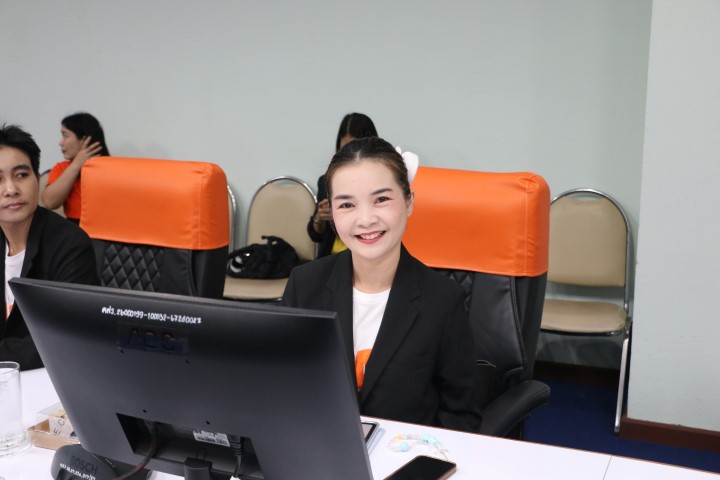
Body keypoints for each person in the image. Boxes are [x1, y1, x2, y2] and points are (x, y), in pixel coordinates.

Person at [284, 137, 482, 432]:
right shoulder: (304, 285)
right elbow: (284, 388)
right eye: (347, 204)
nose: (366, 219)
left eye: (381, 200)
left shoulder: (443, 300)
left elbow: (461, 416)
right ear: (332, 213)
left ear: (409, 201)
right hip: (321, 449)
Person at [0, 124, 99, 370]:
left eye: (21, 175)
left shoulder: (70, 245)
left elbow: (65, 337)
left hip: (51, 377)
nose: (11, 190)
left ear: (37, 178)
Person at [308, 113, 378, 258]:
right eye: (344, 149)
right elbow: (315, 235)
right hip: (333, 258)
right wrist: (320, 218)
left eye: (356, 148)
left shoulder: (383, 182)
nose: (350, 155)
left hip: (370, 255)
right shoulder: (326, 181)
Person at [42, 112, 110, 224]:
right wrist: (77, 164)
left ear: (84, 140)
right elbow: (49, 202)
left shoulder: (111, 168)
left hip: (106, 227)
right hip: (75, 228)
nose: (61, 143)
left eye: (65, 136)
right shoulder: (62, 168)